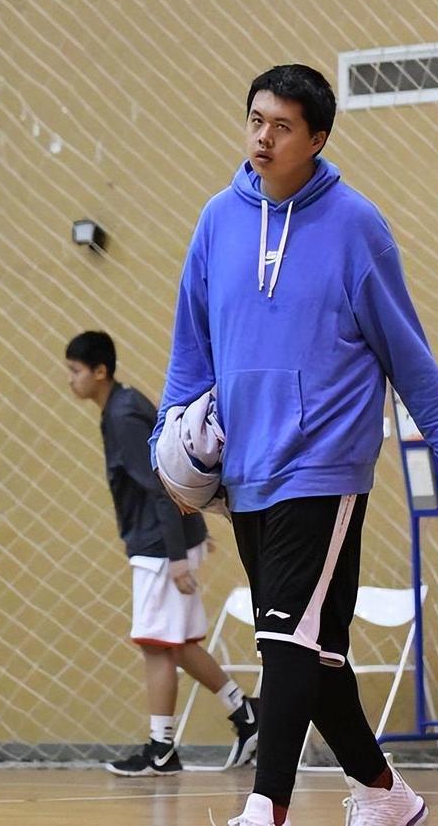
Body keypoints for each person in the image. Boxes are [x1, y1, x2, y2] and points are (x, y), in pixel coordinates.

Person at [150, 65, 438, 824]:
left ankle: (264, 807)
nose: (262, 138)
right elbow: (191, 346)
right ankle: (387, 796)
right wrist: (168, 440)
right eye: (255, 120)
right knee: (314, 649)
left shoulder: (355, 225)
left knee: (283, 638)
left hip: (324, 462)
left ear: (317, 139)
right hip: (246, 467)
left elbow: (407, 354)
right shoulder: (217, 220)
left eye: (281, 126)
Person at [65, 331, 258, 777]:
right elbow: (169, 474)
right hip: (166, 540)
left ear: (100, 371)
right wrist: (193, 531)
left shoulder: (123, 416)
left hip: (158, 547)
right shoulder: (122, 406)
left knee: (157, 645)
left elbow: (159, 486)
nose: (70, 380)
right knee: (179, 643)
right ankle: (246, 713)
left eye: (75, 371)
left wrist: (177, 554)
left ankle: (161, 749)